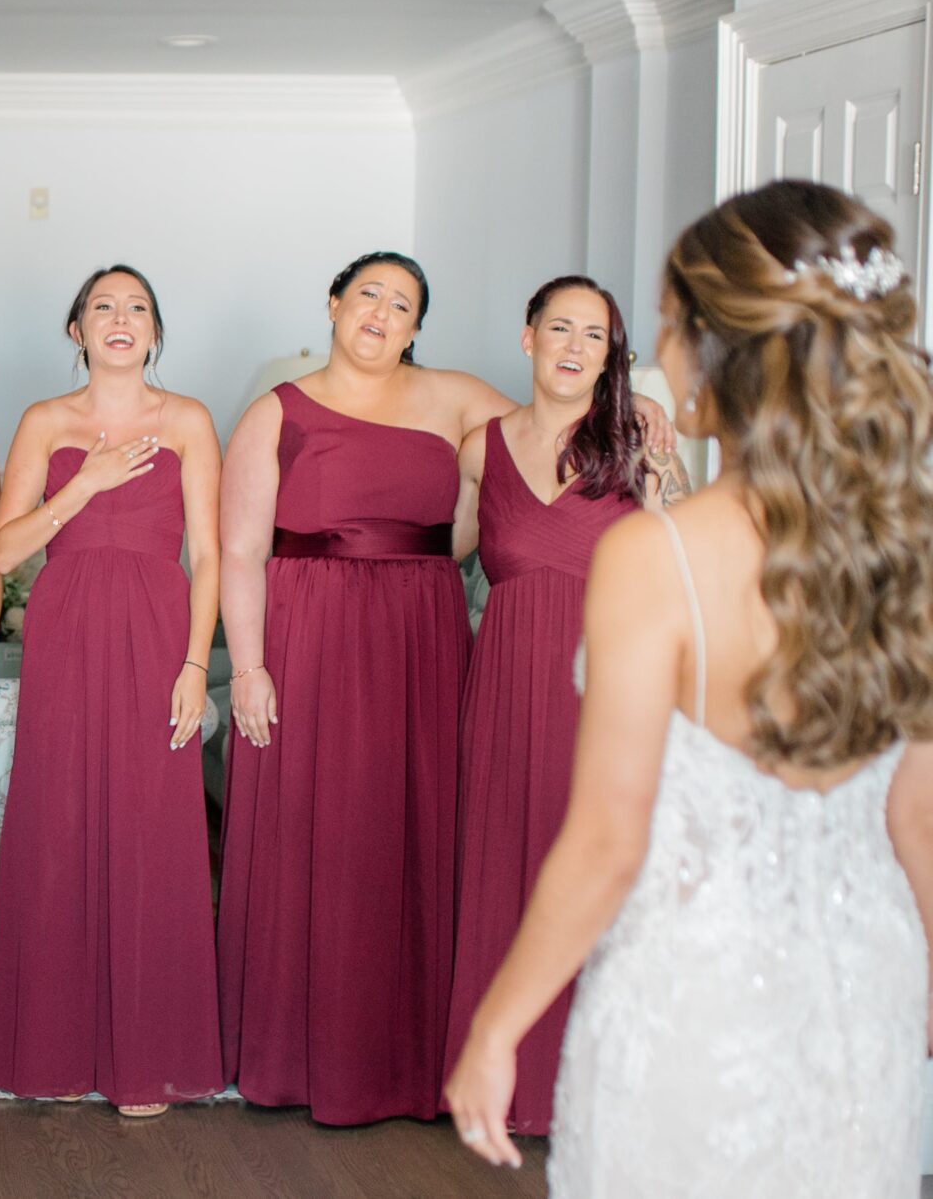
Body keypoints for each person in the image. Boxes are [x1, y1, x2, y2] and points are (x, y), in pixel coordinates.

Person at [447, 179, 933, 1195]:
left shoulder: (654, 553)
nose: (656, 355)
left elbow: (607, 840)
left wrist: (495, 1026)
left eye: (666, 324)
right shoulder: (907, 544)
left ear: (716, 350)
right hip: (867, 981)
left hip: (698, 992)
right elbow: (916, 817)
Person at [217, 251, 673, 1124]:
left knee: (422, 840)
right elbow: (239, 550)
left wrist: (637, 403)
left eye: (403, 304)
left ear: (418, 327)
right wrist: (251, 664)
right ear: (333, 304)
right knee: (326, 832)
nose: (382, 312)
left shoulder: (461, 400)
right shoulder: (275, 411)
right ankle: (308, 1051)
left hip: (423, 641)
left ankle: (421, 1055)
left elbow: (555, 424)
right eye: (368, 295)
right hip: (313, 633)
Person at [442, 275, 689, 1135]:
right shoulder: (480, 449)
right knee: (501, 862)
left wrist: (659, 471)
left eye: (595, 335)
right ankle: (497, 1083)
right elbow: (432, 555)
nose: (575, 346)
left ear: (612, 355)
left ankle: (592, 1089)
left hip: (604, 687)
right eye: (561, 328)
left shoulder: (636, 439)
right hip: (503, 684)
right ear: (529, 338)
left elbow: (684, 558)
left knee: (588, 863)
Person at [0, 264, 224, 1117]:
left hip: (159, 631)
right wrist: (84, 482)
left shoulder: (189, 419)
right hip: (68, 626)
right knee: (59, 816)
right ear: (76, 329)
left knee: (152, 822)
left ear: (155, 331)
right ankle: (53, 1044)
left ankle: (145, 1056)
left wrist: (193, 665)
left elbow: (209, 555)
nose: (121, 318)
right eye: (103, 306)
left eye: (138, 307)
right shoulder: (45, 421)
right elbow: (3, 551)